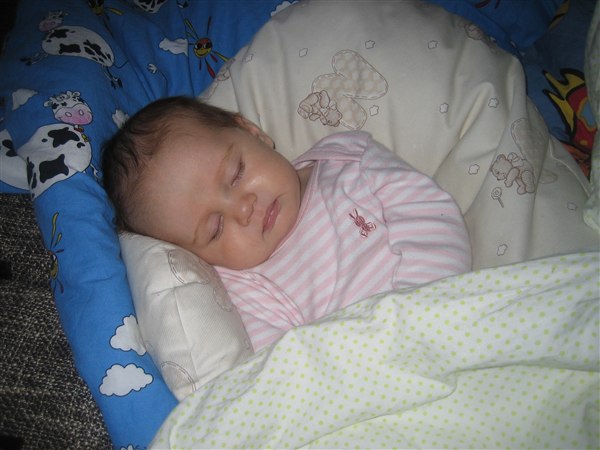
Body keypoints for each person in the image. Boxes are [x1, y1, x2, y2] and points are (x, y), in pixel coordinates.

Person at [102, 96, 472, 351]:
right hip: (371, 378)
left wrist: (417, 317)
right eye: (215, 229)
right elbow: (287, 366)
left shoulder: (348, 161)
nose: (243, 208)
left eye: (236, 174)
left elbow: (430, 217)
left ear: (251, 132)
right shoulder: (242, 287)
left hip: (445, 313)